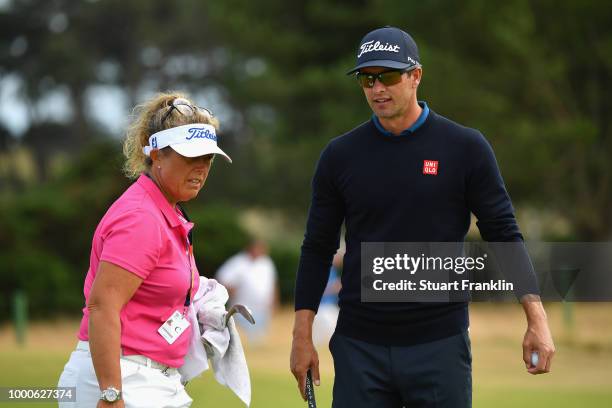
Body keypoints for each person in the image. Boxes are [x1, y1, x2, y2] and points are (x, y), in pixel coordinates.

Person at [290, 26, 556, 408]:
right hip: (359, 346)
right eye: (367, 78)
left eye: (389, 76)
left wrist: (537, 318)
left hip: (439, 346)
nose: (377, 88)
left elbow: (503, 233)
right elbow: (317, 248)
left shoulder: (465, 147)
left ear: (416, 76)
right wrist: (302, 337)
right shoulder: (340, 156)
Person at [57, 92, 231, 408]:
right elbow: (102, 306)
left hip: (152, 379)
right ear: (155, 154)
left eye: (208, 158)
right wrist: (111, 395)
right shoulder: (141, 217)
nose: (201, 168)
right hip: (121, 379)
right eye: (190, 157)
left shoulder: (167, 211)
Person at [216, 240, 278, 344]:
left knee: (259, 341)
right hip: (242, 310)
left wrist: (275, 302)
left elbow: (273, 284)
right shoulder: (238, 262)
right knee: (242, 341)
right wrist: (230, 291)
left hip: (263, 309)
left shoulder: (266, 262)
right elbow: (221, 279)